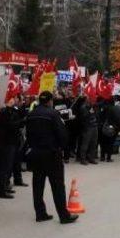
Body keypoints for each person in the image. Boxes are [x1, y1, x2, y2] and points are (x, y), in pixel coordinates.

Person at [25, 91, 78, 224]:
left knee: (38, 185)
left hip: (36, 153)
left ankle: (40, 213)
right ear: (49, 101)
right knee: (58, 186)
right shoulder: (53, 114)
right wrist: (62, 147)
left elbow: (28, 134)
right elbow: (62, 134)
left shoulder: (31, 114)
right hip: (51, 153)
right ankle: (64, 216)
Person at [0, 94, 22, 199]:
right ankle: (2, 190)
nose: (14, 100)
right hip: (4, 143)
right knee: (3, 168)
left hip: (9, 142)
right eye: (12, 98)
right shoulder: (3, 112)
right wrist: (21, 122)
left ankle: (5, 187)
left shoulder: (10, 111)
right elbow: (9, 125)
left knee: (7, 167)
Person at [99, 96, 120, 162]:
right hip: (111, 128)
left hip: (102, 128)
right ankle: (108, 158)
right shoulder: (114, 108)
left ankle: (102, 157)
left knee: (103, 143)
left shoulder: (102, 108)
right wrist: (118, 128)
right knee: (110, 143)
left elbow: (99, 117)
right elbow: (117, 119)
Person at [77, 95, 98, 165]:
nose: (92, 100)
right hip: (88, 127)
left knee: (94, 143)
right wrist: (89, 110)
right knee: (85, 144)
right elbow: (83, 117)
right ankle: (82, 159)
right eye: (90, 98)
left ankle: (91, 158)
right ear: (86, 99)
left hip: (94, 126)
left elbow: (96, 114)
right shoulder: (83, 107)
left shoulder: (93, 106)